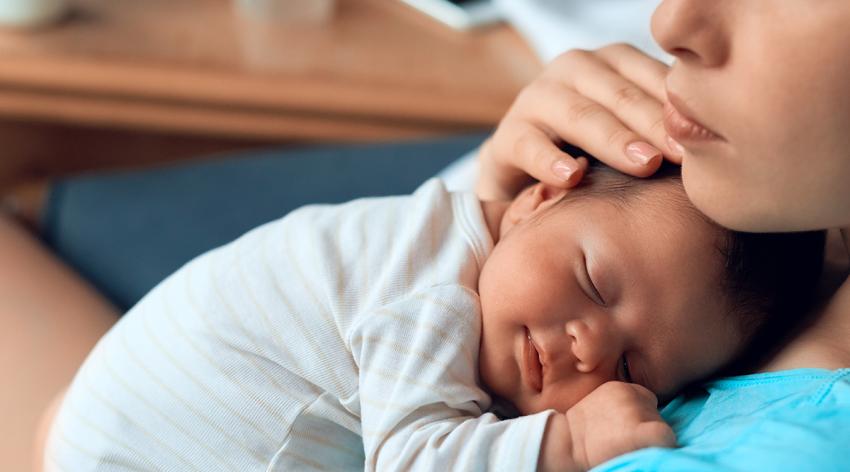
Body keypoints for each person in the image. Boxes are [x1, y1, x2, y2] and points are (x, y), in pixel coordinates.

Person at [43, 162, 824, 470]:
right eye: (591, 278)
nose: (589, 344)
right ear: (534, 200)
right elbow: (413, 460)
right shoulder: (432, 294)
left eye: (630, 367)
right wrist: (571, 439)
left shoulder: (471, 247)